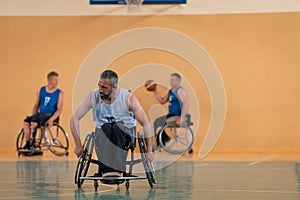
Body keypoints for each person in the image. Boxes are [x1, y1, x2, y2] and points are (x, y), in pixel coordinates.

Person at [70, 70, 154, 178]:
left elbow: (146, 123)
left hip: (124, 133)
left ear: (114, 87)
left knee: (118, 127)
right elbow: (74, 118)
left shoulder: (128, 98)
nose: (100, 89)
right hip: (103, 132)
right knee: (107, 127)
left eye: (104, 87)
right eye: (99, 86)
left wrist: (149, 150)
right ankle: (107, 170)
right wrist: (78, 144)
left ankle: (116, 169)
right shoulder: (93, 96)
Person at [151, 73, 192, 153]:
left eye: (173, 80)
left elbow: (186, 104)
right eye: (170, 80)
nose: (171, 82)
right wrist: (155, 91)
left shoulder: (180, 91)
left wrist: (181, 118)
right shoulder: (171, 91)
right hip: (171, 115)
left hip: (178, 115)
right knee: (157, 122)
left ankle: (162, 142)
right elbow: (162, 101)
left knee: (160, 122)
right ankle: (162, 141)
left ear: (178, 80)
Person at [23, 71, 64, 150]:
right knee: (26, 122)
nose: (57, 82)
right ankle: (28, 143)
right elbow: (36, 105)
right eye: (55, 80)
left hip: (50, 115)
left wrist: (51, 119)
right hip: (40, 115)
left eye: (57, 80)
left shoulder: (59, 93)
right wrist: (33, 116)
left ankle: (33, 144)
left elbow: (59, 110)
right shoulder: (40, 90)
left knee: (35, 121)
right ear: (49, 80)